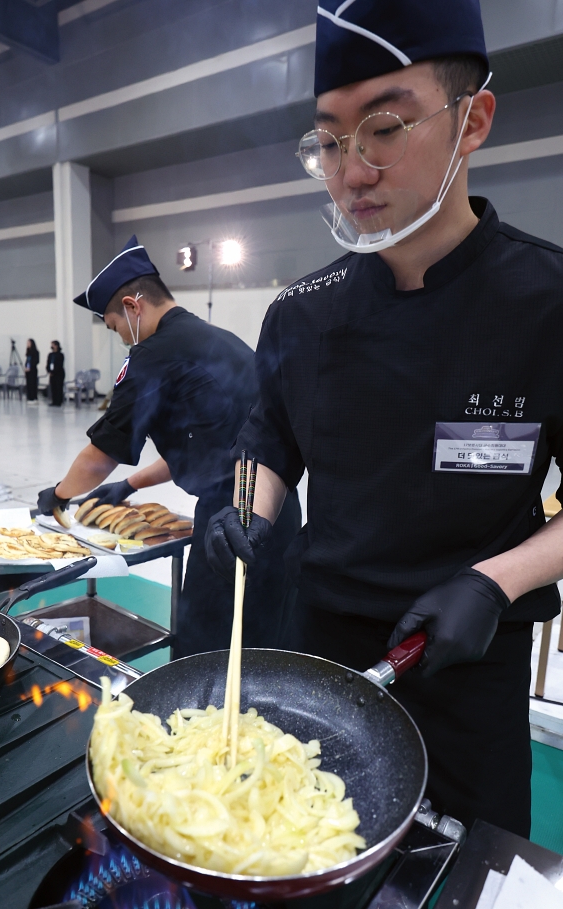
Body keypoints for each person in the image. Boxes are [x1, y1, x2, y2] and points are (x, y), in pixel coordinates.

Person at [205, 0, 563, 837]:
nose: (350, 170)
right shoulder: (302, 313)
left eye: (386, 127)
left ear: (472, 122)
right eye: (329, 140)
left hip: (472, 664)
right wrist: (244, 516)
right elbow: (269, 447)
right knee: (313, 846)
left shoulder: (546, 302)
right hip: (324, 656)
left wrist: (493, 579)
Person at [37, 236, 301, 656]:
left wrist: (60, 494)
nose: (122, 338)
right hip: (277, 512)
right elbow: (208, 443)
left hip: (228, 521)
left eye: (115, 326)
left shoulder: (152, 356)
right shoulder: (216, 339)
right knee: (265, 646)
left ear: (132, 306)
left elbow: (101, 452)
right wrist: (131, 486)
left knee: (205, 651)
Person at [46, 340, 64, 406]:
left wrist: (54, 372)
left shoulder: (60, 355)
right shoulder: (50, 355)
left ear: (56, 346)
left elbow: (59, 365)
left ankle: (59, 402)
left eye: (53, 345)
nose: (51, 346)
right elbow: (48, 363)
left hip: (58, 374)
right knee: (53, 388)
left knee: (58, 387)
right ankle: (54, 401)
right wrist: (49, 371)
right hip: (52, 374)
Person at [25, 338, 39, 405]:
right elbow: (27, 361)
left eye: (29, 343)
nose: (27, 344)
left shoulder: (36, 352)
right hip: (28, 371)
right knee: (28, 384)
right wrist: (26, 367)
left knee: (33, 383)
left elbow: (36, 361)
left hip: (33, 370)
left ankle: (34, 398)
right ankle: (29, 397)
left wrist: (30, 367)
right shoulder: (28, 352)